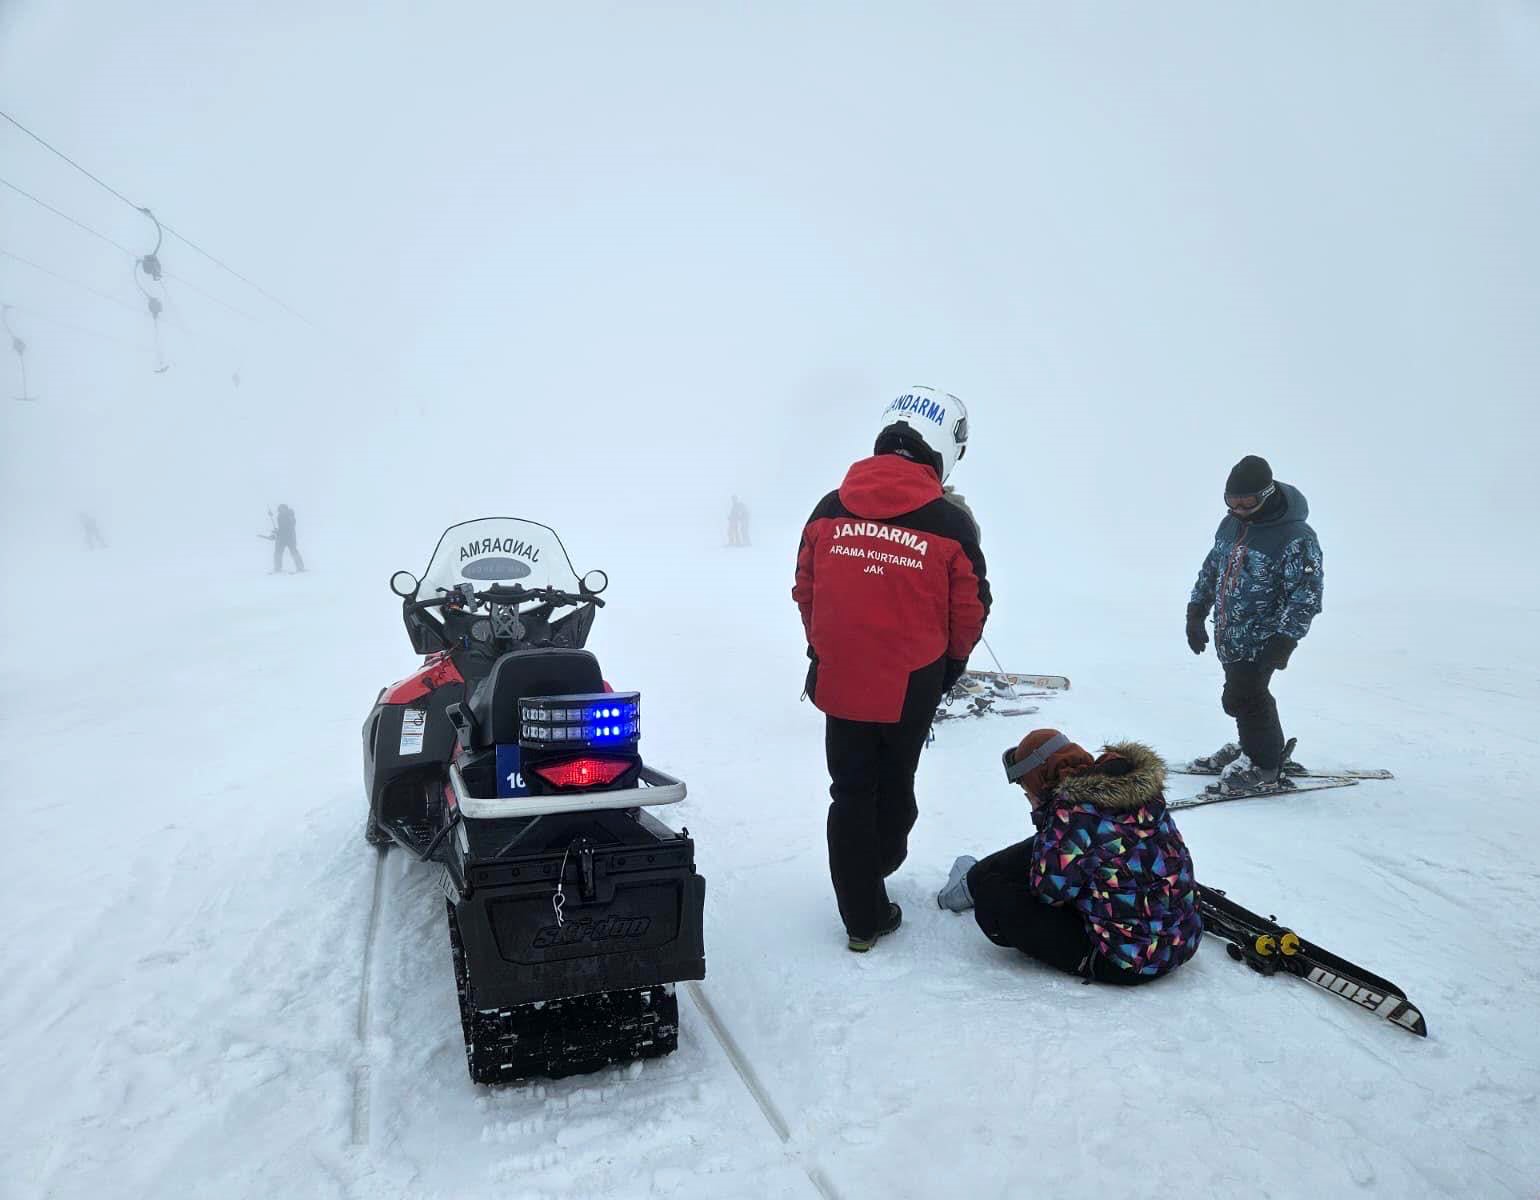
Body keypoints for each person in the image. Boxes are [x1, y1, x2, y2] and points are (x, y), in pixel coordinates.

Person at [793, 386, 990, 951]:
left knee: (850, 791)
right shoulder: (950, 522)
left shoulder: (830, 507)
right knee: (895, 786)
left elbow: (806, 589)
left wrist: (824, 648)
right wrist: (952, 665)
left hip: (842, 675)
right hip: (912, 681)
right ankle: (877, 870)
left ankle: (861, 912)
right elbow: (970, 607)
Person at [937, 729, 1201, 983]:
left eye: (1027, 789)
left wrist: (1045, 816)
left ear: (1040, 781)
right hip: (1182, 939)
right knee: (1045, 852)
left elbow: (1048, 893)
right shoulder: (1134, 790)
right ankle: (971, 880)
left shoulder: (1072, 816)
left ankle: (971, 887)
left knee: (993, 896)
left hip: (1128, 962)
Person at [1185, 456, 1323, 792]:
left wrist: (1286, 640)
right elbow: (1211, 569)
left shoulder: (1295, 536)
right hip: (1230, 632)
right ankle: (1258, 747)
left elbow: (1305, 595)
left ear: (1267, 494)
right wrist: (1196, 611)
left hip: (1265, 636)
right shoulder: (1230, 524)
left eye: (1247, 502)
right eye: (1232, 502)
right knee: (1243, 696)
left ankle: (1264, 766)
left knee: (1244, 697)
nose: (1239, 509)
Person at [269, 503, 305, 574]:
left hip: (290, 538)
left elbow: (290, 525)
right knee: (278, 553)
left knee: (294, 552)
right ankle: (277, 568)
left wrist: (278, 531)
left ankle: (300, 567)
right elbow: (281, 528)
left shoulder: (290, 515)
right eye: (280, 509)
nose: (281, 511)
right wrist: (276, 532)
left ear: (286, 509)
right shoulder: (279, 516)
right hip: (281, 538)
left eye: (283, 509)